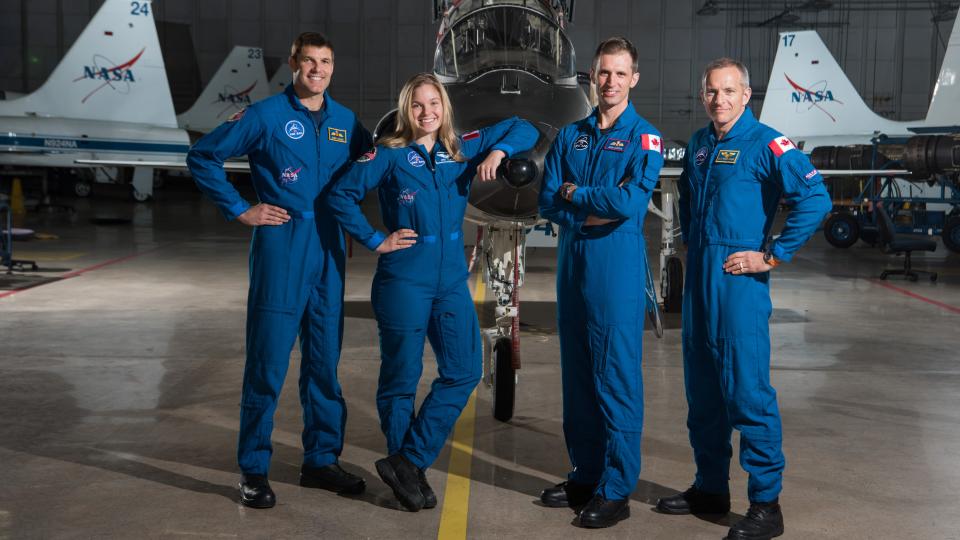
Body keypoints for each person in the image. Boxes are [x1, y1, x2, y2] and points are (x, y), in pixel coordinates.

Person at [326, 73, 538, 512]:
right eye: (418, 105)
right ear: (407, 110)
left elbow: (525, 126)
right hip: (403, 279)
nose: (427, 113)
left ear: (445, 107)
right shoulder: (388, 154)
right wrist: (374, 239)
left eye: (434, 104)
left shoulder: (461, 148)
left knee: (464, 371)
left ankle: (409, 460)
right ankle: (409, 474)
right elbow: (341, 195)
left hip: (449, 283)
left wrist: (498, 150)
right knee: (401, 382)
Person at [187, 32, 372, 509]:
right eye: (308, 61)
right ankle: (253, 467)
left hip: (330, 249)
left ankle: (321, 460)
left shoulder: (347, 123)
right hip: (282, 245)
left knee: (324, 364)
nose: (317, 70)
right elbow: (204, 156)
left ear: (334, 66)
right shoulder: (266, 115)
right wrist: (239, 208)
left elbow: (380, 166)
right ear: (293, 64)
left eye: (325, 61)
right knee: (268, 363)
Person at [654, 58, 831, 540]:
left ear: (746, 94)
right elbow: (688, 195)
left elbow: (817, 199)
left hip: (739, 288)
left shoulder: (767, 143)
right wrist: (691, 240)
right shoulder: (699, 143)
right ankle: (710, 488)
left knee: (747, 393)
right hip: (700, 287)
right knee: (703, 395)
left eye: (728, 91)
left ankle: (765, 504)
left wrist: (772, 255)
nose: (719, 100)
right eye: (711, 91)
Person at [537, 37, 664, 529]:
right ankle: (585, 474)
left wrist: (578, 195)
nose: (609, 82)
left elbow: (629, 204)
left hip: (615, 272)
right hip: (574, 269)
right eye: (602, 73)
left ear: (634, 79)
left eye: (619, 73)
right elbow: (548, 200)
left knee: (616, 380)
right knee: (578, 382)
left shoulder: (643, 138)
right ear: (591, 77)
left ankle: (616, 488)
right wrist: (589, 205)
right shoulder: (571, 136)